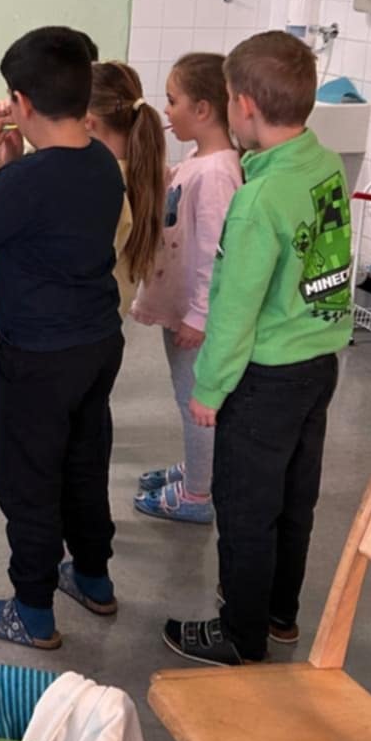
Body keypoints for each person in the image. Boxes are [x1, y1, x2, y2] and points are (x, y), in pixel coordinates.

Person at [163, 31, 352, 666]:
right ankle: (279, 615)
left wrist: (209, 388)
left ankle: (240, 634)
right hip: (318, 365)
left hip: (265, 377)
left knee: (246, 508)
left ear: (242, 106)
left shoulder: (256, 202)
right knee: (295, 499)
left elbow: (235, 308)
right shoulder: (325, 166)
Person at [0, 27, 126, 650]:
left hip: (37, 355)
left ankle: (32, 610)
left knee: (28, 478)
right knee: (84, 463)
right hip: (97, 343)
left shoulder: (29, 180)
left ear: (21, 102)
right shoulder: (100, 160)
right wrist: (18, 159)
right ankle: (94, 578)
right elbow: (51, 212)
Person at [130, 53, 241, 525]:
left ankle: (198, 494)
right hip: (181, 309)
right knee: (187, 398)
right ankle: (201, 470)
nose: (166, 109)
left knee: (196, 403)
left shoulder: (217, 173)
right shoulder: (200, 162)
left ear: (203, 109)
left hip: (195, 319)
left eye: (173, 100)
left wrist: (199, 316)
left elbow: (216, 254)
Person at [83, 61, 166, 318]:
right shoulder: (145, 169)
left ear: (87, 122)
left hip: (88, 313)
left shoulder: (100, 181)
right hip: (113, 306)